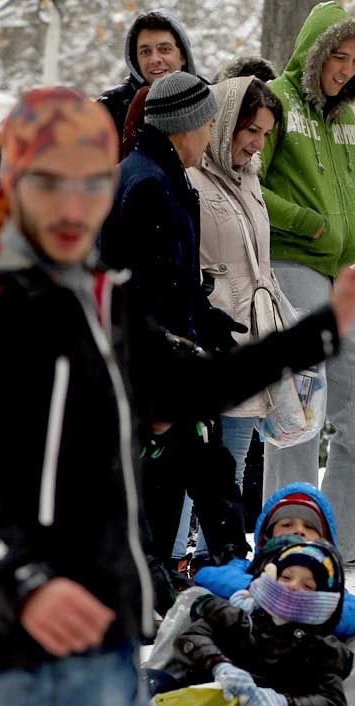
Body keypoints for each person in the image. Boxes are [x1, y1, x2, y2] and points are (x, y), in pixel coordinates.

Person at [0, 87, 355, 706]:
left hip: (113, 610)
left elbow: (198, 379)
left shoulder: (99, 293)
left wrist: (320, 331)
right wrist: (28, 577)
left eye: (89, 182)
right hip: (40, 638)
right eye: (52, 181)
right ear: (19, 180)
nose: (73, 204)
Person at [100, 71, 253, 609]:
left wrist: (207, 322)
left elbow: (172, 281)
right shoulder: (146, 184)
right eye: (207, 124)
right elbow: (142, 290)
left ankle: (168, 588)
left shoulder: (157, 174)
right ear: (183, 126)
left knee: (199, 482)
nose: (210, 135)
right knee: (184, 484)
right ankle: (179, 590)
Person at [258, 2, 355, 572]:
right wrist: (309, 224)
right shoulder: (275, 104)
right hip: (290, 267)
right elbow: (250, 188)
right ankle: (286, 540)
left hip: (341, 274)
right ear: (315, 52)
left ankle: (338, 540)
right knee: (300, 413)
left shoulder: (346, 121)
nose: (343, 69)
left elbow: (350, 195)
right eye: (337, 56)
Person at [183, 76, 285, 566]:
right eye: (249, 129)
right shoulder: (191, 180)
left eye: (264, 133)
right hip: (206, 343)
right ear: (223, 123)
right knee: (189, 469)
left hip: (249, 341)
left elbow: (258, 264)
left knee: (235, 465)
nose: (255, 142)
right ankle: (175, 562)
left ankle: (215, 563)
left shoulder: (251, 180)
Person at [190, 482, 355, 706]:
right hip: (233, 672)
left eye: (310, 527)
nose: (298, 530)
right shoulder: (246, 570)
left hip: (297, 686)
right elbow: (206, 576)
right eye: (287, 524)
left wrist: (309, 607)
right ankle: (158, 688)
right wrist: (267, 592)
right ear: (267, 535)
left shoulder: (327, 589)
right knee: (196, 598)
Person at [148, 540, 354, 706]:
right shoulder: (243, 617)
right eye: (286, 577)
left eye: (308, 586)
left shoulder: (322, 649)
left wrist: (285, 703)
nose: (293, 586)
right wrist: (219, 665)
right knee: (150, 680)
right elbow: (192, 636)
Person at [97, 9, 200, 133]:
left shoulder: (209, 101)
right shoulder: (110, 108)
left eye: (164, 49)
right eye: (145, 52)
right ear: (136, 60)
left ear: (183, 56)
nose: (154, 59)